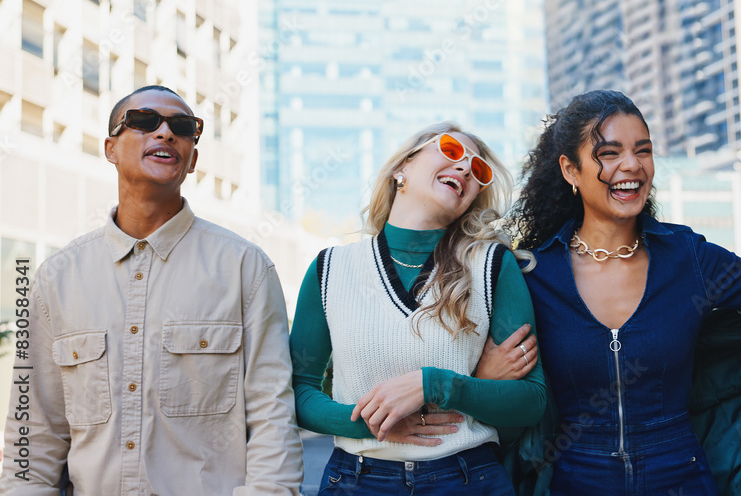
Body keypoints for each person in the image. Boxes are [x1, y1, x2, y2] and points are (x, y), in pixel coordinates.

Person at [0, 85, 302, 495]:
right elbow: (32, 432)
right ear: (110, 148)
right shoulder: (57, 277)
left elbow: (273, 420)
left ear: (192, 159)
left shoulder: (245, 268)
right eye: (144, 122)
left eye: (182, 127)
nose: (164, 133)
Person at [504, 90, 741, 496]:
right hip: (575, 479)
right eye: (609, 153)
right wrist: (489, 369)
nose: (632, 165)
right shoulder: (533, 274)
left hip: (682, 475)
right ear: (570, 170)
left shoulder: (687, 256)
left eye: (642, 151)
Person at [290, 122, 547, 495]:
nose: (464, 168)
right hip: (356, 481)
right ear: (402, 168)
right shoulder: (330, 269)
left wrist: (436, 384)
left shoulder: (493, 265)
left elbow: (532, 401)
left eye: (478, 171)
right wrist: (367, 423)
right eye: (451, 151)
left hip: (467, 479)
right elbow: (299, 388)